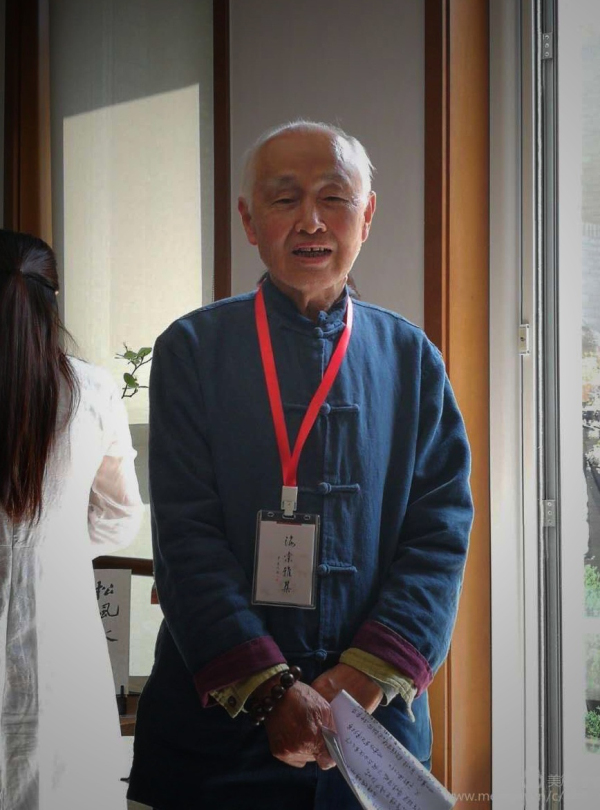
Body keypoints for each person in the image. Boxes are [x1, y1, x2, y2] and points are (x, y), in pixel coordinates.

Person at [128, 121, 473, 810]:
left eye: (334, 198)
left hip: (373, 727)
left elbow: (440, 535)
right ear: (248, 220)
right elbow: (187, 540)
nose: (311, 221)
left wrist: (365, 676)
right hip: (219, 726)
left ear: (366, 217)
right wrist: (273, 691)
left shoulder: (411, 358)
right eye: (285, 199)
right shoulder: (192, 350)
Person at [0, 230, 143, 809]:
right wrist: (54, 548)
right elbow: (121, 517)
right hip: (61, 648)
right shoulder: (92, 390)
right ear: (52, 300)